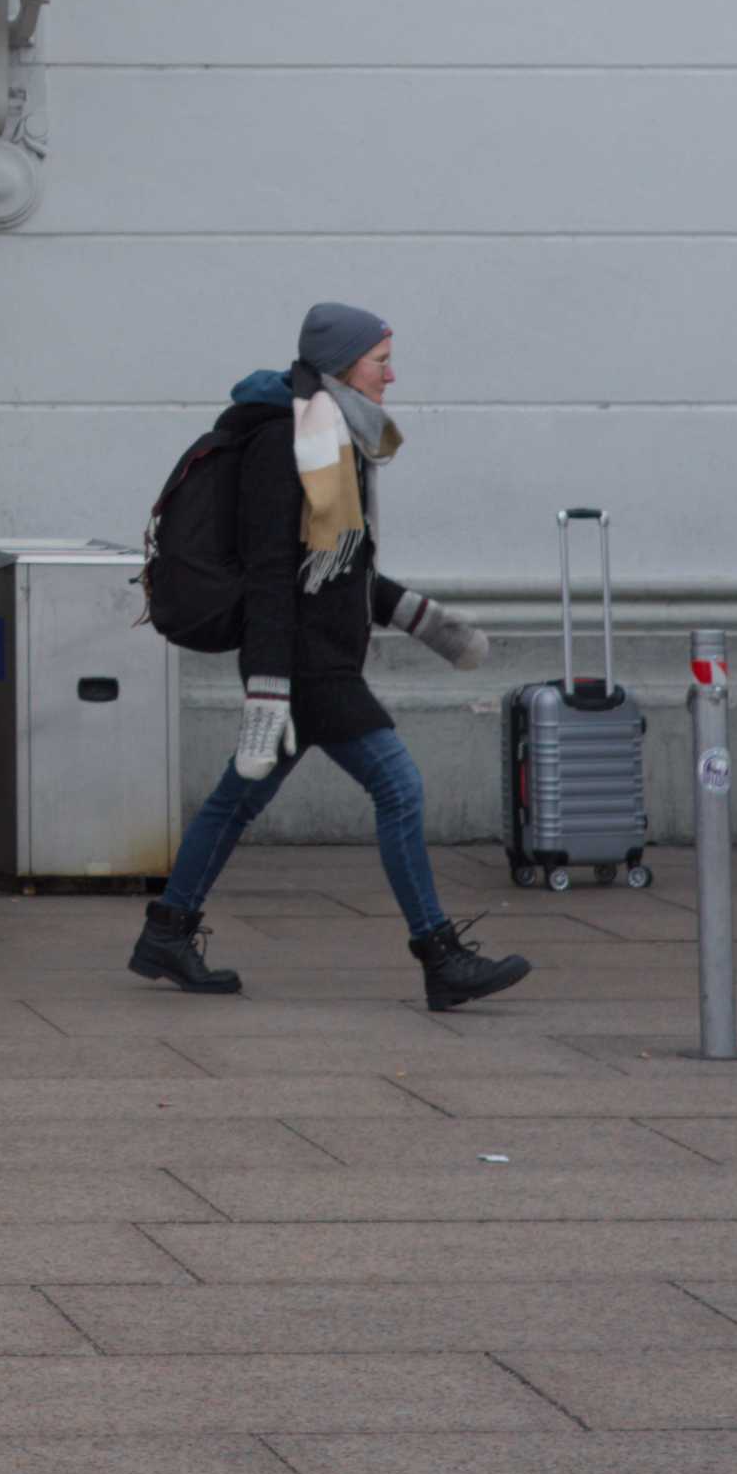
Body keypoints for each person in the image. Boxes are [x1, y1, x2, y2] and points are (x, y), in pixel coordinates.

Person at [128, 300, 525, 1010]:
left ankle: (166, 931)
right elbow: (271, 574)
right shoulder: (284, 445)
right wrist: (267, 691)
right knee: (398, 790)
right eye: (380, 362)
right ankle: (439, 956)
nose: (391, 375)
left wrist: (428, 623)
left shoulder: (333, 440)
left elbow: (345, 570)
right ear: (343, 366)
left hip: (317, 659)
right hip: (307, 669)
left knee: (234, 803)